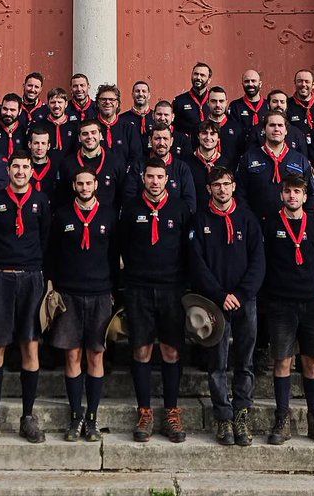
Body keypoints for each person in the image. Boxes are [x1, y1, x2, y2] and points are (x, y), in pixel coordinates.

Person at [0, 152, 52, 446]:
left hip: (31, 277)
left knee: (30, 347)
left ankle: (28, 417)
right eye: (16, 167)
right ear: (8, 170)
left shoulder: (41, 201)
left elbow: (46, 239)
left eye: (25, 167)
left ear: (32, 170)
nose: (21, 172)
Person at [187, 166, 265, 446]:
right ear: (209, 189)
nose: (222, 189)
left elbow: (258, 261)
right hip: (214, 304)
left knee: (244, 362)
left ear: (234, 187)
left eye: (227, 184)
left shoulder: (247, 219)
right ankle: (223, 417)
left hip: (246, 302)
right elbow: (197, 264)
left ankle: (241, 414)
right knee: (217, 363)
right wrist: (220, 295)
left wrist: (242, 294)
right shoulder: (199, 220)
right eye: (217, 184)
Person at [118, 159, 191, 444]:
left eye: (160, 177)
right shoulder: (131, 209)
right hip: (138, 289)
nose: (155, 182)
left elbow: (188, 249)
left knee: (172, 351)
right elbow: (121, 245)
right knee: (142, 350)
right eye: (150, 176)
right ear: (143, 178)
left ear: (167, 179)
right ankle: (145, 411)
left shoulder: (180, 208)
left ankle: (172, 411)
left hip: (172, 289)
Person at [260, 176, 314, 446]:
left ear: (305, 197)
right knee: (282, 360)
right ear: (282, 195)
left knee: (311, 359)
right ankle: (282, 417)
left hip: (311, 301)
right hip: (281, 301)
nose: (292, 196)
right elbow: (264, 261)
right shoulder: (270, 225)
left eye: (297, 192)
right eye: (288, 191)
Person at [45, 168, 116, 442]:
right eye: (80, 183)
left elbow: (115, 254)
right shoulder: (62, 215)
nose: (85, 187)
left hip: (99, 293)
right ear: (74, 185)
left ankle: (93, 418)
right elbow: (52, 254)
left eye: (89, 183)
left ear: (96, 184)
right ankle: (76, 415)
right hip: (70, 295)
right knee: (72, 355)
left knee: (95, 355)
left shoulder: (109, 215)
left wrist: (113, 290)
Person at [237, 111, 314, 218]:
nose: (276, 129)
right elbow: (240, 193)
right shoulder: (248, 158)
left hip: (291, 222)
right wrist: (248, 219)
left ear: (286, 131)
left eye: (280, 125)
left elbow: (312, 193)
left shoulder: (300, 160)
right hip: (258, 223)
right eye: (272, 125)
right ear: (264, 130)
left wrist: (305, 218)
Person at [59, 120, 127, 211]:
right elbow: (62, 196)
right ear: (79, 138)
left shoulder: (115, 162)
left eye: (93, 132)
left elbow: (122, 195)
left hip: (109, 221)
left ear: (101, 136)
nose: (90, 137)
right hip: (75, 219)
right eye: (85, 134)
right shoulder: (67, 163)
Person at [94, 82, 139, 166]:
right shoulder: (90, 127)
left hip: (124, 177)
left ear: (117, 103)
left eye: (112, 99)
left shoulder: (129, 128)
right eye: (103, 99)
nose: (107, 102)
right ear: (98, 103)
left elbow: (136, 158)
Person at [204, 87, 245, 168]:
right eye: (214, 101)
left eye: (221, 101)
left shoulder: (237, 128)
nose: (218, 105)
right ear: (207, 103)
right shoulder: (199, 128)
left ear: (226, 103)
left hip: (231, 175)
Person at [173, 61, 213, 140]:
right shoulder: (180, 101)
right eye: (196, 74)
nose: (198, 77)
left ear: (209, 80)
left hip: (210, 145)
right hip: (188, 147)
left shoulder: (215, 101)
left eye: (202, 75)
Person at [35, 86, 77, 154]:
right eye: (53, 102)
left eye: (60, 102)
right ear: (48, 104)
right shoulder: (39, 126)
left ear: (66, 104)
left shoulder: (74, 127)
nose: (56, 106)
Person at [229, 70, 267, 140]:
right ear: (242, 84)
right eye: (246, 81)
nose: (250, 84)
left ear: (260, 84)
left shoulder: (268, 105)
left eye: (253, 81)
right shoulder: (235, 106)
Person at [0, 92, 27, 159]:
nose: (8, 113)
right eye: (5, 109)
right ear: (1, 108)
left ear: (20, 111)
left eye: (12, 110)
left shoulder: (24, 131)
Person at [286, 69, 314, 138]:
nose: (303, 84)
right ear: (295, 83)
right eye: (300, 81)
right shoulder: (286, 105)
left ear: (313, 84)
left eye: (307, 81)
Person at [26, 125, 59, 194]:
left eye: (43, 143)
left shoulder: (56, 168)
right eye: (36, 143)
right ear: (29, 144)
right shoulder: (23, 167)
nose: (39, 148)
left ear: (48, 146)